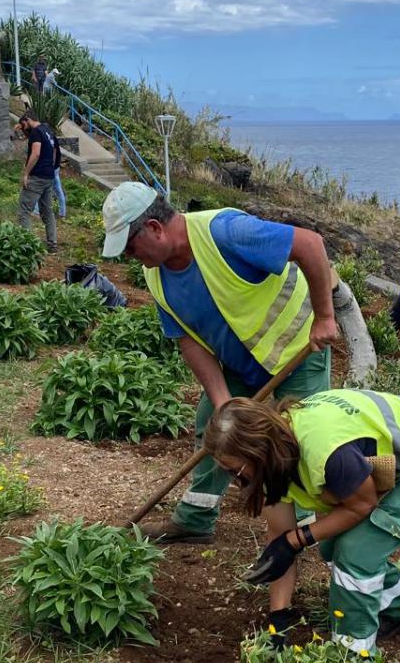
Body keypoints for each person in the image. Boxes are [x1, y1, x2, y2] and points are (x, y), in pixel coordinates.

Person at [99, 181, 339, 619]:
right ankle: (195, 520)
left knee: (300, 442)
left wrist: (325, 315)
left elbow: (310, 244)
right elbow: (187, 340)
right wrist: (223, 399)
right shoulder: (156, 274)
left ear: (154, 228)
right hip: (238, 363)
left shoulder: (225, 233)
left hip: (297, 350)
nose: (131, 258)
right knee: (214, 431)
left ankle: (307, 535)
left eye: (131, 247)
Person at [204, 391, 400, 651]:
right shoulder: (273, 458)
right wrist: (278, 620)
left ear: (258, 451)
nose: (234, 478)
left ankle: (354, 653)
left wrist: (297, 540)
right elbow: (281, 538)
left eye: (235, 469)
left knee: (356, 552)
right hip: (396, 454)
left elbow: (363, 504)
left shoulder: (325, 451)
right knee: (331, 544)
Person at [16, 110, 59, 252]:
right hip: (48, 176)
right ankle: (52, 244)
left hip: (36, 177)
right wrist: (51, 168)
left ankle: (26, 245)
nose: (24, 128)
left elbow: (36, 153)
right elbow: (54, 152)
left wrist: (26, 174)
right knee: (47, 212)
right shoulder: (47, 131)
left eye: (23, 124)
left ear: (28, 119)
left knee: (24, 210)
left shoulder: (36, 132)